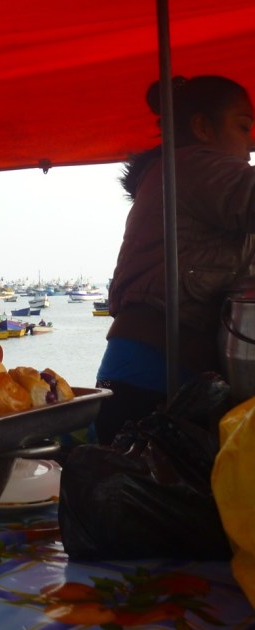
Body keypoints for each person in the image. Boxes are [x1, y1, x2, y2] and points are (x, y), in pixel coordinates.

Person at [95, 74, 255, 445]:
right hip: (158, 367)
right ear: (202, 127)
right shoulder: (193, 164)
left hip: (148, 362)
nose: (249, 143)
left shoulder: (177, 173)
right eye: (243, 127)